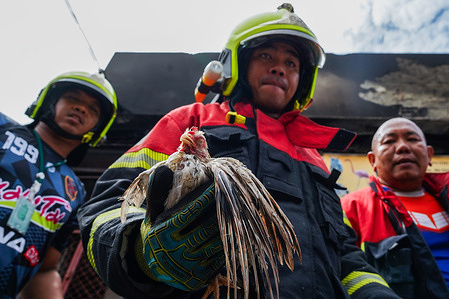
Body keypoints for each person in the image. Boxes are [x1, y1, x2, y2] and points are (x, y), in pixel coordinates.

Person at [78, 4, 399, 298]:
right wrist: (138, 250)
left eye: (291, 62)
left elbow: (343, 251)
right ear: (239, 63)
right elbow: (109, 203)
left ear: (303, 79)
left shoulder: (313, 156)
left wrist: (375, 294)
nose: (279, 69)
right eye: (266, 56)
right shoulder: (191, 120)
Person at [0, 71, 117, 298]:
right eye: (73, 98)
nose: (81, 108)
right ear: (50, 101)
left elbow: (46, 269)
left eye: (92, 109)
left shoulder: (76, 191)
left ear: (98, 127)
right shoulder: (4, 130)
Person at [341, 117, 449, 298]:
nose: (402, 147)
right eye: (389, 141)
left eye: (412, 139)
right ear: (372, 160)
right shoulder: (351, 207)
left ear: (429, 155)